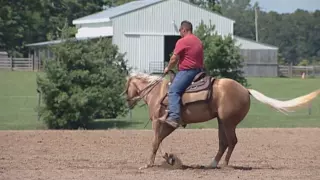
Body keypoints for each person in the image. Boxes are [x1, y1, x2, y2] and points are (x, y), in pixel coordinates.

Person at [162, 20, 204, 128]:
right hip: (200, 71)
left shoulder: (182, 41)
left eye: (180, 30)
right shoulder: (198, 41)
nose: (180, 33)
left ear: (184, 29)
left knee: (173, 90)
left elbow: (174, 58)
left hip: (187, 72)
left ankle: (174, 117)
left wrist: (168, 68)